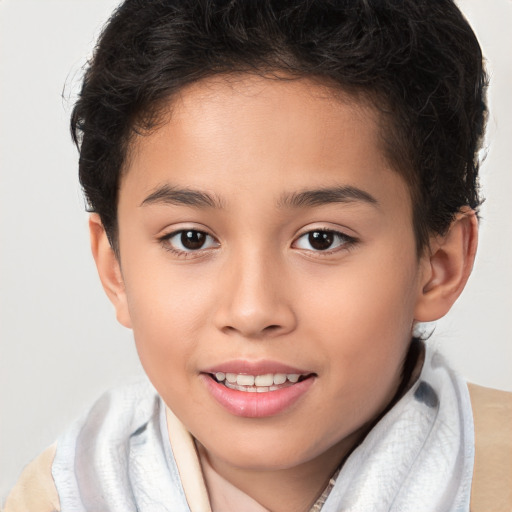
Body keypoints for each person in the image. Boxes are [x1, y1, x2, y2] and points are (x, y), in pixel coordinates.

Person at [3, 0, 511, 511]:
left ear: (438, 265)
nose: (251, 311)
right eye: (191, 239)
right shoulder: (65, 494)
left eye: (321, 239)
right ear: (115, 270)